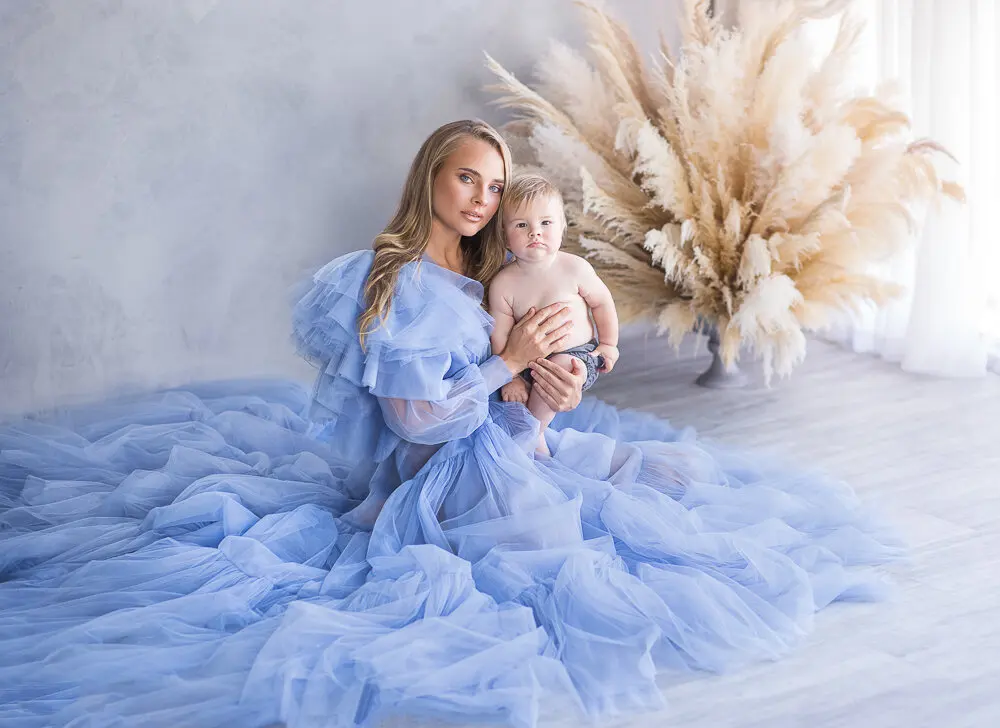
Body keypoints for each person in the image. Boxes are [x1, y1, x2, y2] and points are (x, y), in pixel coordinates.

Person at [0, 119, 901, 728]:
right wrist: (511, 367)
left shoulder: (486, 282)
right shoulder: (394, 282)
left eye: (495, 186)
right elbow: (419, 419)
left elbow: (513, 392)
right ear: (430, 174)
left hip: (501, 439)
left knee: (667, 485)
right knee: (572, 547)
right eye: (466, 176)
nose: (480, 197)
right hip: (439, 471)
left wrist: (546, 387)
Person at [488, 173, 620, 455]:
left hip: (578, 356)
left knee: (560, 367)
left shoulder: (574, 268)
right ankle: (532, 440)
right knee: (511, 399)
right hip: (526, 363)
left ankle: (532, 434)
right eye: (522, 225)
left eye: (545, 223)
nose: (535, 232)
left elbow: (602, 303)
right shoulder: (503, 283)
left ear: (562, 228)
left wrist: (608, 344)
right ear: (505, 237)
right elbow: (499, 333)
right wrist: (510, 377)